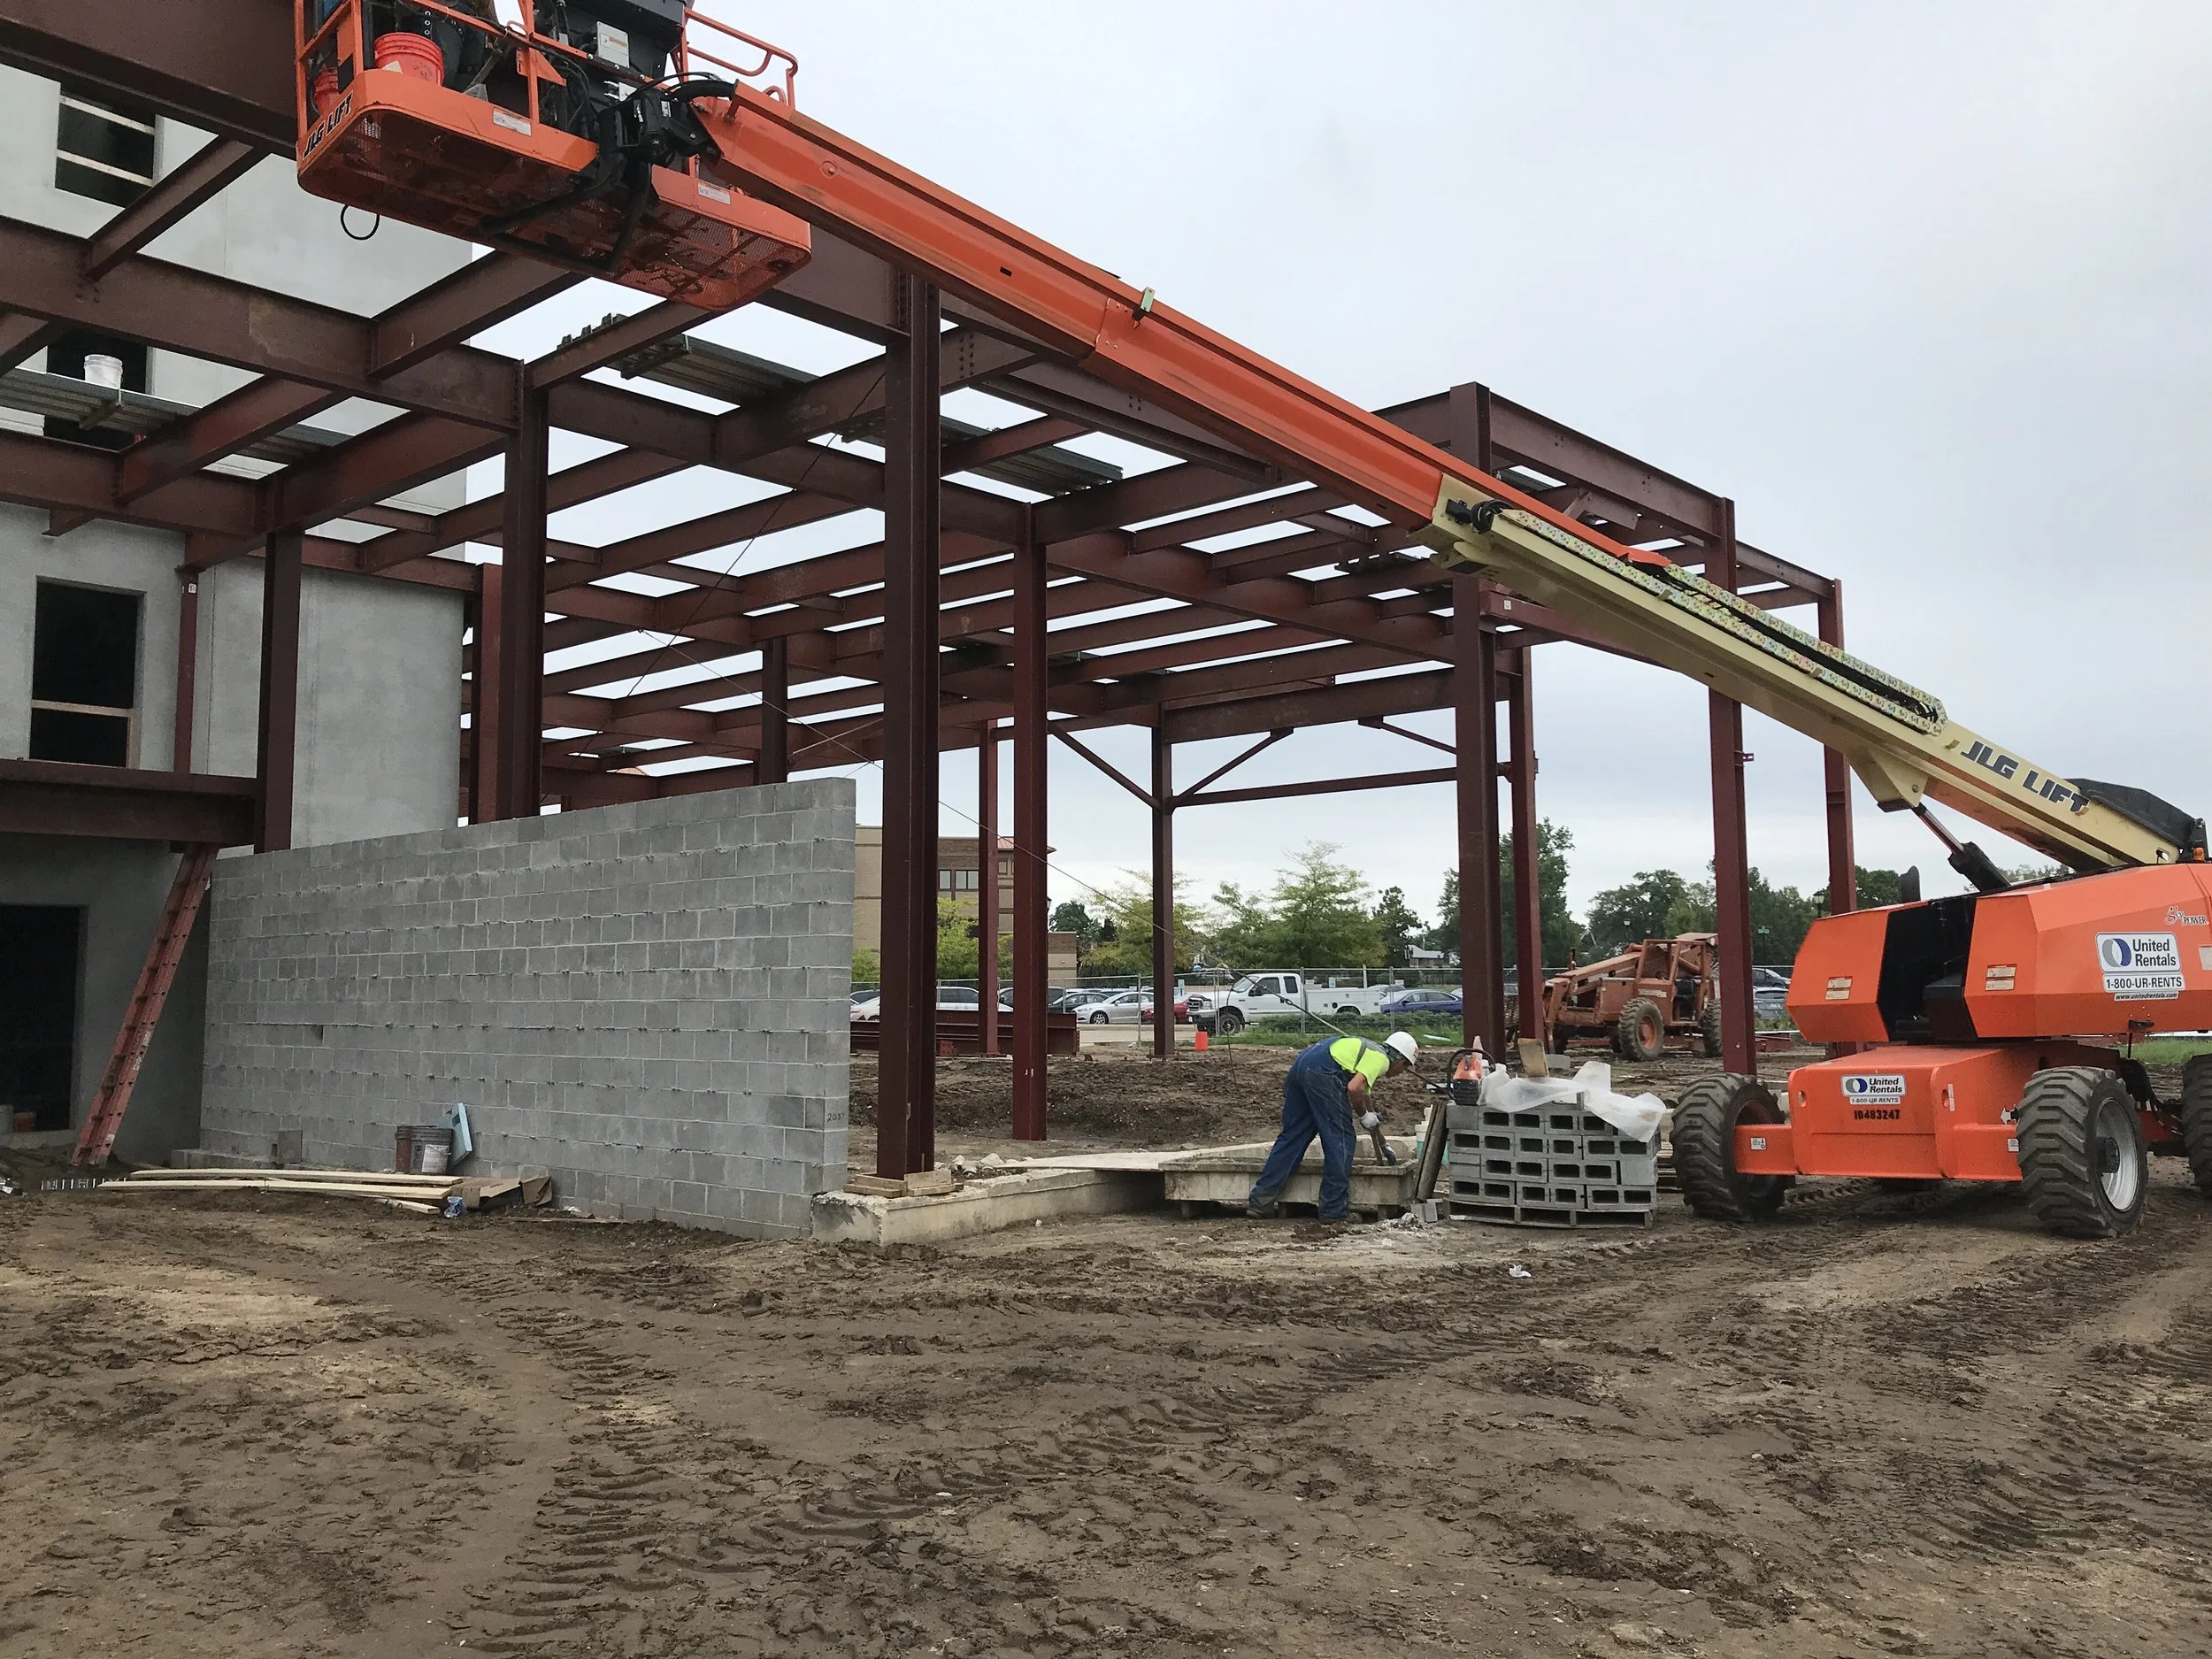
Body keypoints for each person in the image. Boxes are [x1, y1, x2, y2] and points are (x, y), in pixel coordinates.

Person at [1247, 1031, 1419, 1222]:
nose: (1400, 1074)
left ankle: (1260, 1202)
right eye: (1404, 1068)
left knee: (1293, 1137)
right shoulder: (1381, 1059)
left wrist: (1382, 1140)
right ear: (1399, 1060)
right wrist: (1363, 1115)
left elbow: (1365, 1096)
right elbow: (1354, 1089)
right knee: (1342, 1139)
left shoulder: (1369, 1051)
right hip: (1324, 1073)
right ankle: (1334, 1210)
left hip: (1301, 1067)